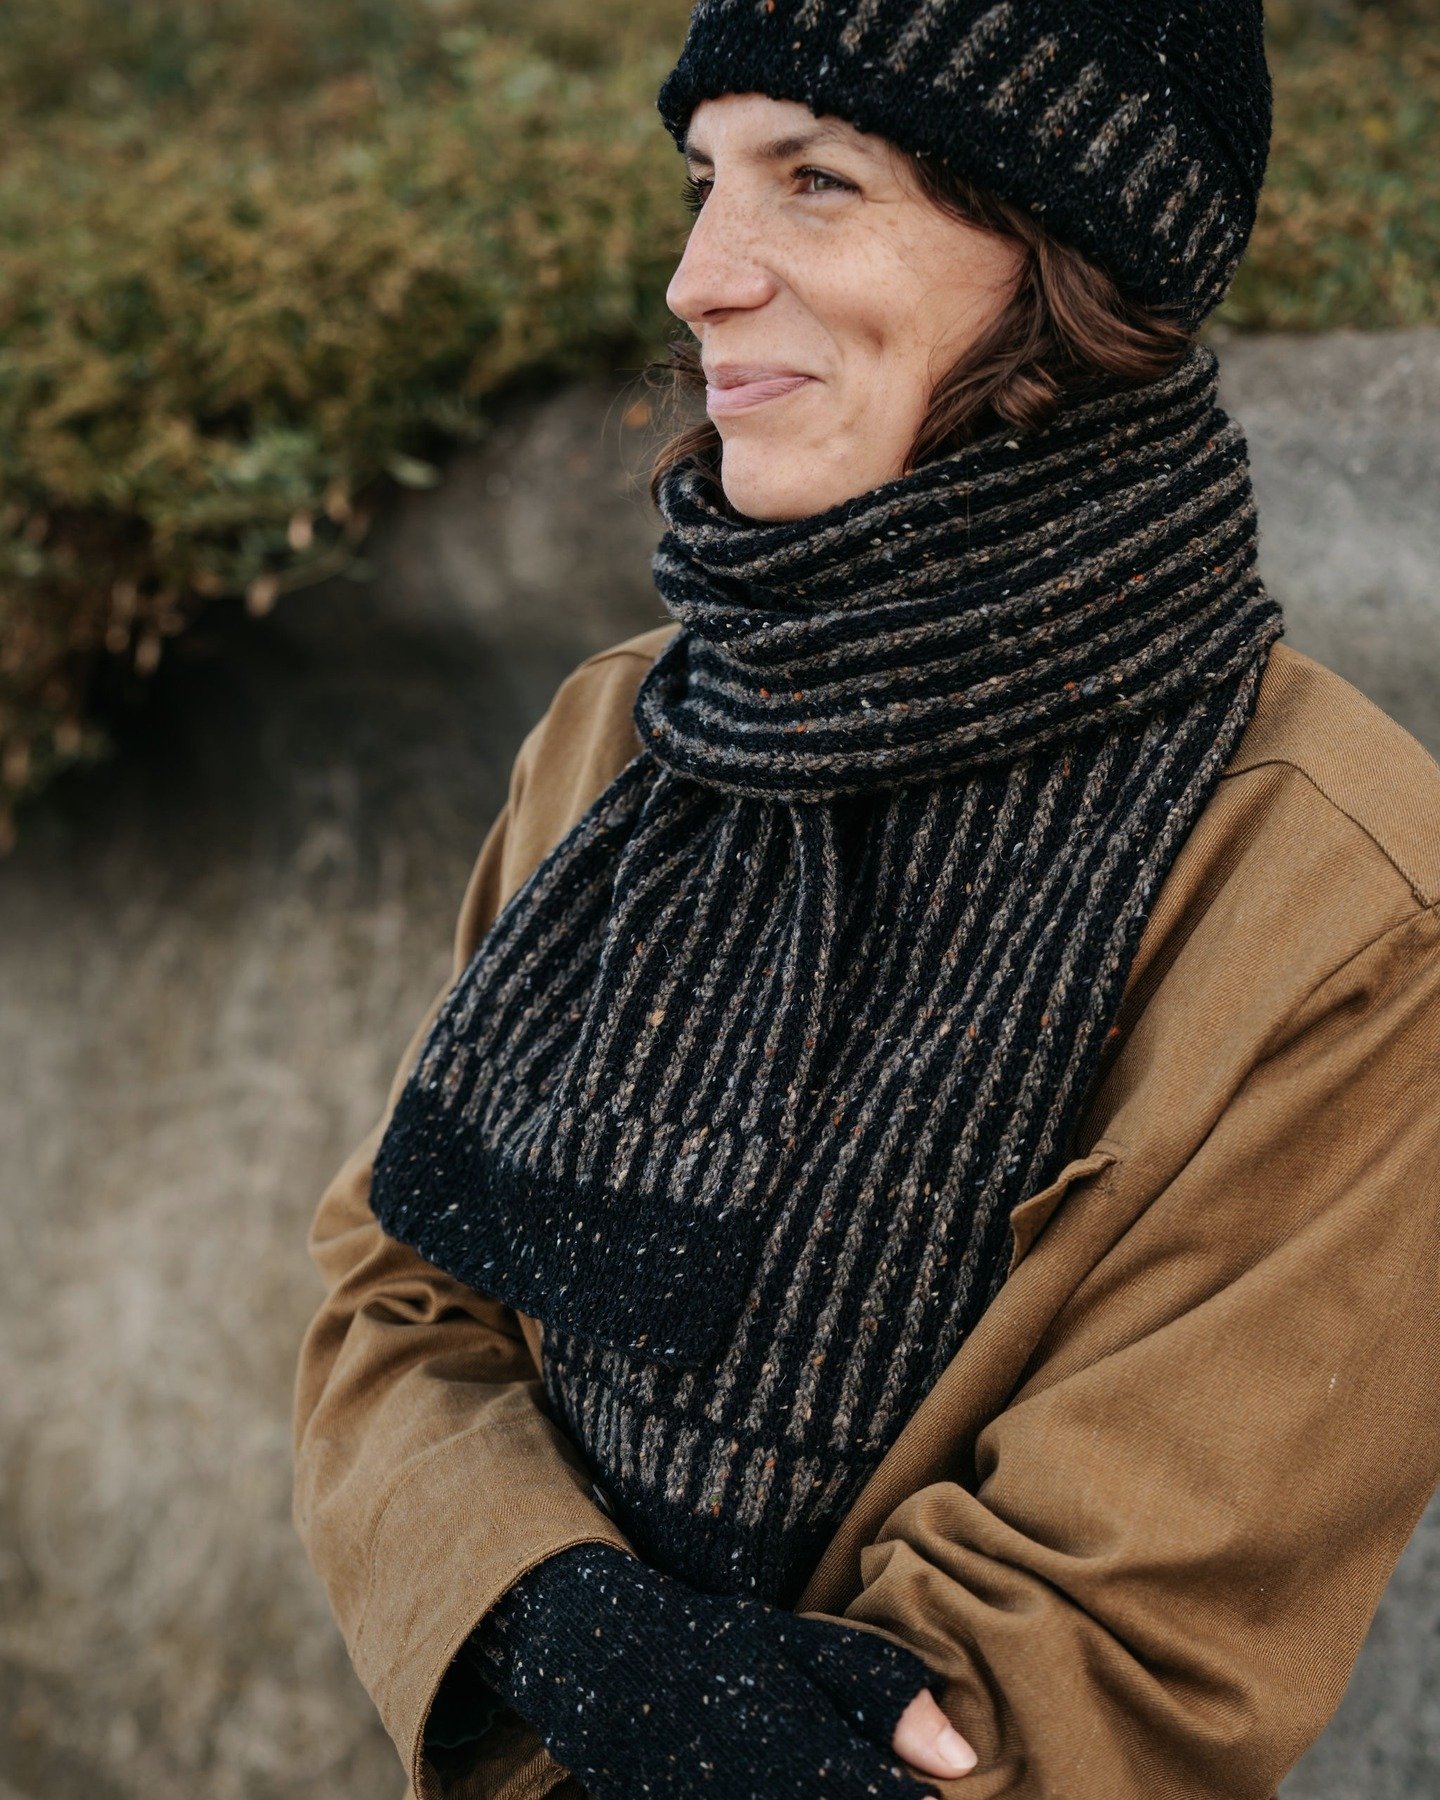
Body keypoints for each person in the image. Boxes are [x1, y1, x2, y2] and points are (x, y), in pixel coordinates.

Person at [291, 4, 1440, 1798]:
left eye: (816, 181)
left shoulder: (1338, 899)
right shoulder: (621, 742)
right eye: (701, 182)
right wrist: (558, 1622)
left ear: (1072, 264)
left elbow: (1116, 1650)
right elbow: (402, 1286)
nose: (697, 278)